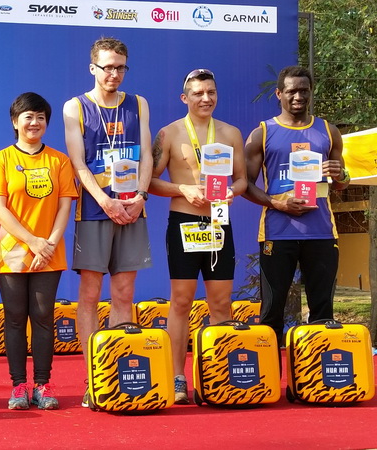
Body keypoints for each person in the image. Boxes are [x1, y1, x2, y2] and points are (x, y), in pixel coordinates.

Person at [62, 37, 153, 407]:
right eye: (107, 67)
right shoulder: (75, 106)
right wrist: (104, 200)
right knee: (89, 294)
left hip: (132, 209)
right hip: (95, 210)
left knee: (124, 293)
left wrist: (141, 196)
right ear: (93, 68)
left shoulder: (138, 103)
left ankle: (115, 369)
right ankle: (93, 376)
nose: (114, 74)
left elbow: (147, 154)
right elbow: (78, 163)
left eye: (120, 67)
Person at [149, 69, 247, 403]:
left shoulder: (231, 133)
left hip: (219, 224)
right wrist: (183, 189)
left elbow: (242, 179)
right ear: (185, 98)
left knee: (221, 302)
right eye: (198, 93)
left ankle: (218, 376)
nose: (206, 98)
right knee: (181, 301)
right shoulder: (169, 133)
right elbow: (150, 181)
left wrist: (232, 191)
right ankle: (177, 376)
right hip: (184, 223)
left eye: (211, 92)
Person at [243, 65, 349, 345]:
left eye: (304, 90)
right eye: (291, 91)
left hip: (321, 233)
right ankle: (271, 371)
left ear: (311, 92)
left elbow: (341, 184)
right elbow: (245, 185)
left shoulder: (329, 131)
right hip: (278, 232)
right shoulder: (262, 133)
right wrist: (279, 205)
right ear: (279, 93)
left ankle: (316, 372)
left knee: (322, 312)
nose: (298, 96)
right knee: (272, 312)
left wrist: (341, 175)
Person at [0, 93, 77, 410]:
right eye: (28, 116)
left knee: (42, 317)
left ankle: (42, 384)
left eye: (40, 117)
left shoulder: (59, 161)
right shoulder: (1, 160)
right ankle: (18, 386)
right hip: (11, 251)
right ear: (15, 121)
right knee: (14, 318)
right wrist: (32, 241)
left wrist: (47, 243)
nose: (34, 122)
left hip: (48, 251)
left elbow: (64, 206)